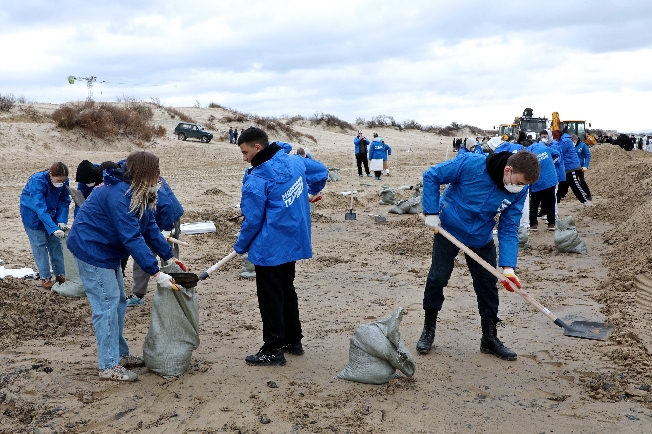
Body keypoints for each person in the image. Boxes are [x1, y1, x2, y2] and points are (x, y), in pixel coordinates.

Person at [67, 151, 184, 381]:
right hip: (91, 249)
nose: (159, 177)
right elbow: (132, 238)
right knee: (107, 305)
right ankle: (108, 365)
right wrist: (155, 271)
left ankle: (119, 354)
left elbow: (149, 227)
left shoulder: (138, 191)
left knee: (119, 301)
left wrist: (168, 257)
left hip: (108, 249)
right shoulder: (119, 195)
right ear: (144, 173)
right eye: (155, 172)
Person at [417, 150, 540, 361]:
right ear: (508, 170)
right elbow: (432, 175)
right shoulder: (470, 164)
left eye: (523, 185)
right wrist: (431, 212)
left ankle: (489, 338)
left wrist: (508, 267)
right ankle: (428, 329)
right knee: (438, 278)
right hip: (449, 228)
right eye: (518, 182)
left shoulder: (519, 191)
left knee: (488, 285)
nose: (519, 188)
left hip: (480, 236)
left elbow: (509, 227)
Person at [235, 127, 328, 366]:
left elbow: (252, 220)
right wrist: (311, 192)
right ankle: (293, 340)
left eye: (245, 153)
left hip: (269, 247)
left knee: (270, 297)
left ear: (258, 147)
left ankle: (273, 348)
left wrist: (240, 246)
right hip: (293, 241)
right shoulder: (296, 162)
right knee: (287, 288)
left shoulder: (257, 179)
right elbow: (321, 172)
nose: (244, 158)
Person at [127, 176, 184, 307]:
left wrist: (165, 230)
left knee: (169, 256)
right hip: (150, 220)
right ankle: (138, 294)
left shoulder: (148, 180)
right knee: (143, 254)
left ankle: (175, 291)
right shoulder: (122, 183)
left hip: (169, 218)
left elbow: (167, 206)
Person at [20, 162, 71, 288]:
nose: (61, 183)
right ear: (50, 175)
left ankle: (60, 274)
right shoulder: (37, 181)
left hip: (51, 213)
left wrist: (61, 221)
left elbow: (64, 201)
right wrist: (53, 228)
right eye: (58, 180)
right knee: (40, 245)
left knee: (56, 244)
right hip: (33, 215)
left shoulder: (64, 182)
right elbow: (40, 207)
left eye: (63, 181)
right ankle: (45, 277)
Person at [527, 138, 560, 231]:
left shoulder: (530, 153)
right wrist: (551, 162)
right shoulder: (545, 148)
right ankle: (551, 223)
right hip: (550, 179)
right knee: (550, 202)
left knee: (534, 204)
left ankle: (533, 224)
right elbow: (557, 154)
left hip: (537, 181)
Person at [554, 130, 590, 205]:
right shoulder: (560, 141)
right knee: (561, 185)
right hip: (564, 167)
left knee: (575, 184)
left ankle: (585, 199)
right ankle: (555, 202)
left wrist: (585, 165)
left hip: (571, 166)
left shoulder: (566, 141)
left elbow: (559, 150)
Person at [573, 134, 592, 201]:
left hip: (580, 167)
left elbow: (588, 156)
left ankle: (588, 195)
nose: (573, 141)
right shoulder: (570, 146)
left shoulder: (583, 145)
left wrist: (585, 166)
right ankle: (582, 194)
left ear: (578, 139)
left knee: (582, 181)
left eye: (574, 139)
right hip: (573, 167)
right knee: (575, 182)